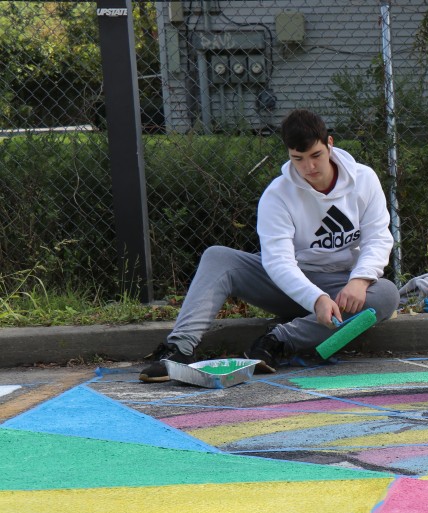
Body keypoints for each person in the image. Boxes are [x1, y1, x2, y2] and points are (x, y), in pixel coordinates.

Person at [139, 109, 400, 382]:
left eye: (316, 155)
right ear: (288, 154)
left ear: (330, 144)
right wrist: (315, 298)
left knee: (386, 295)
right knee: (218, 257)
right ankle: (178, 350)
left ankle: (275, 342)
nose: (309, 167)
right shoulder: (277, 195)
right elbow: (278, 263)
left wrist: (360, 279)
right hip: (290, 285)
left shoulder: (364, 179)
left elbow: (378, 237)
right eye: (297, 159)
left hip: (341, 285)